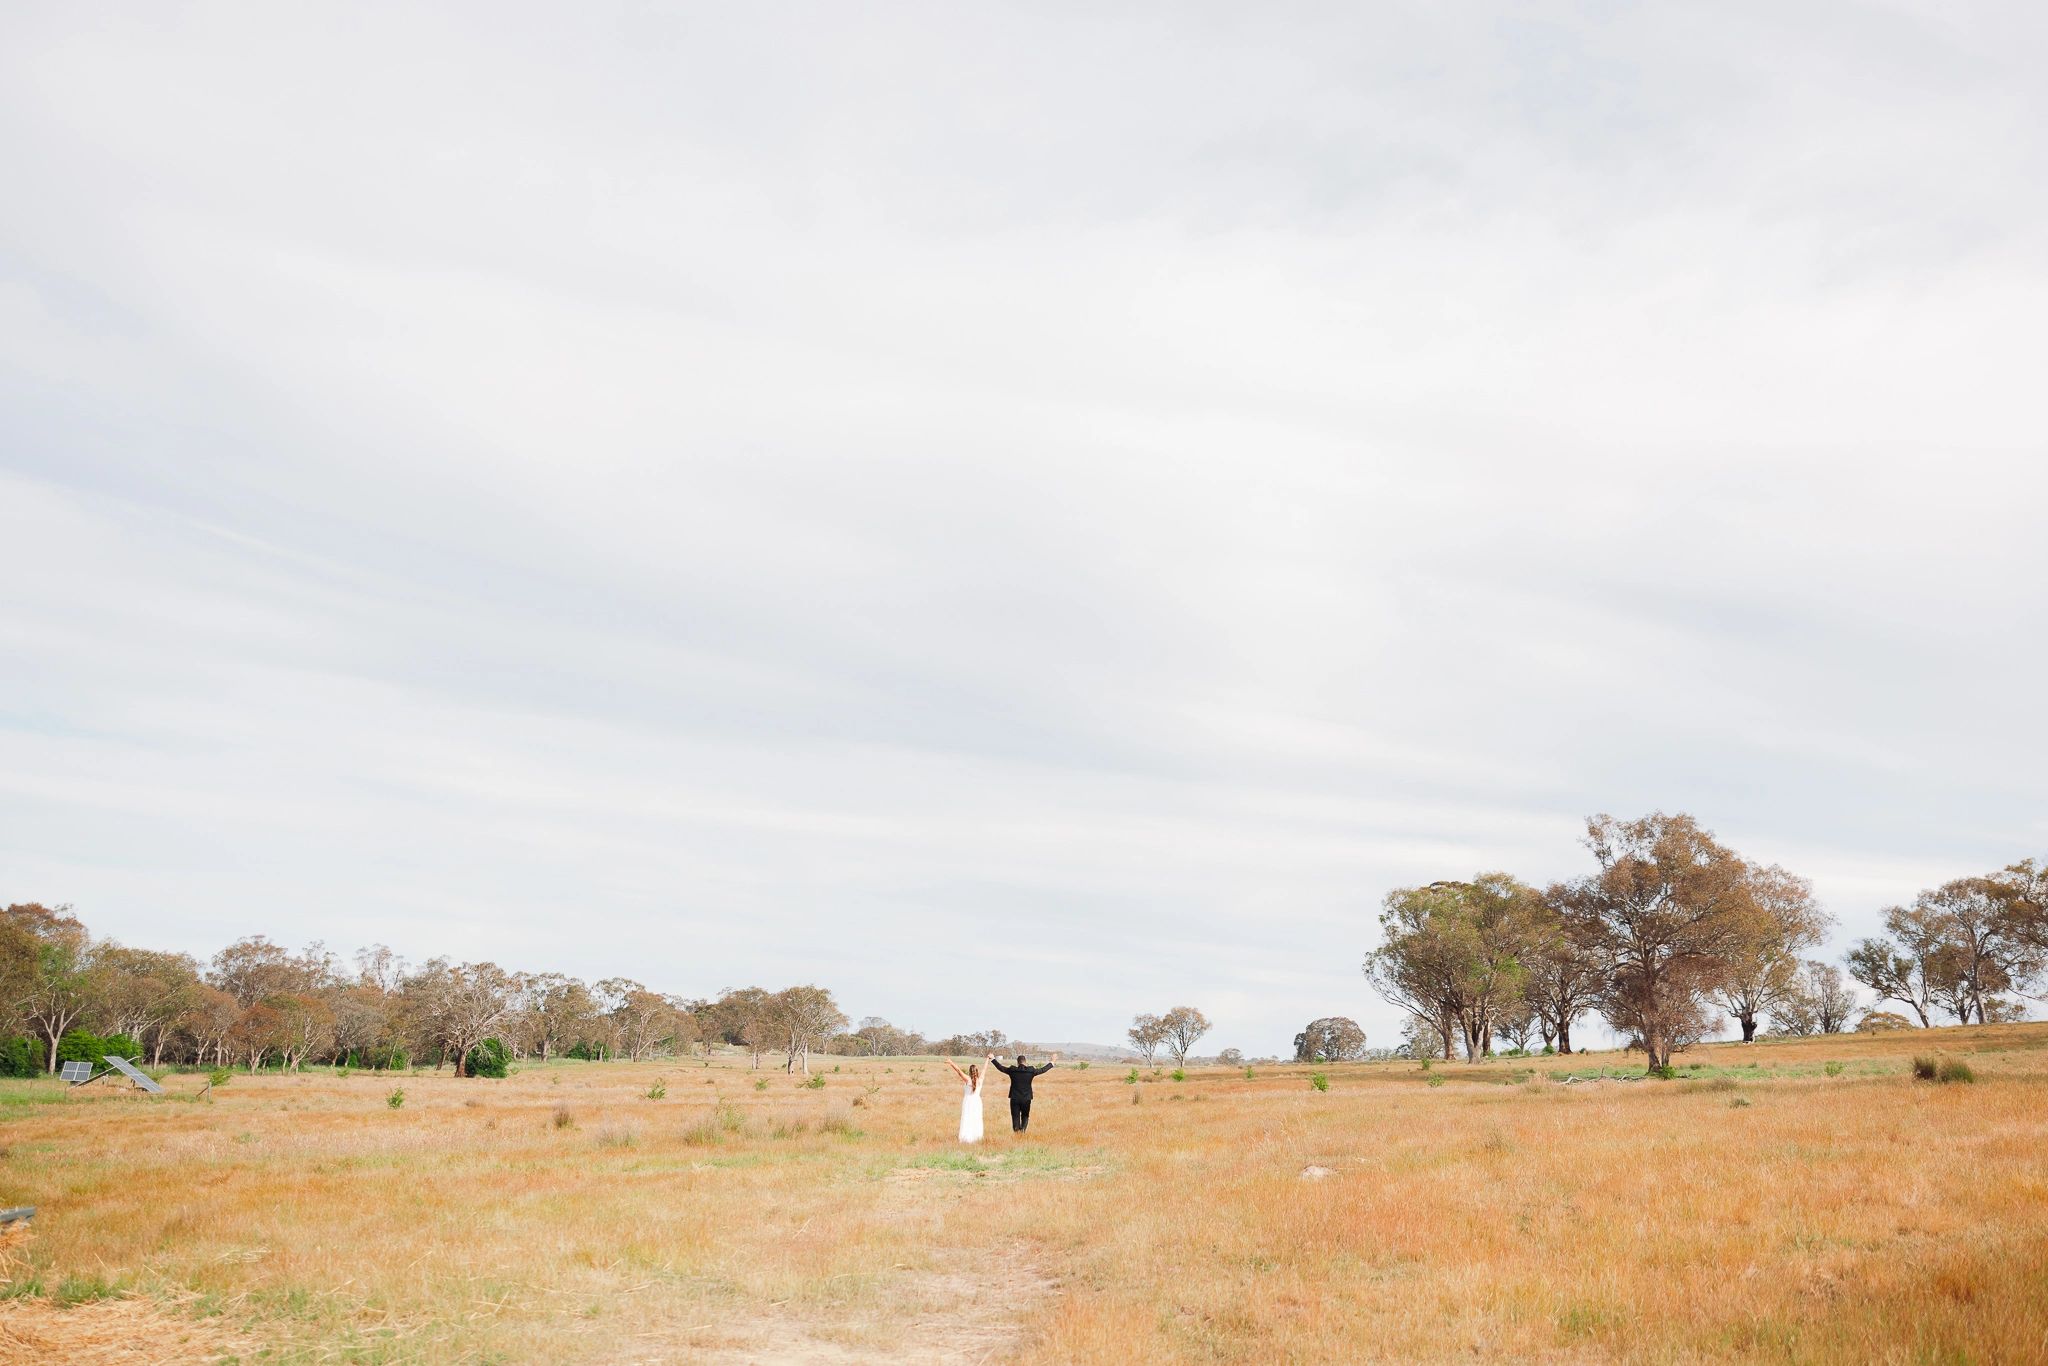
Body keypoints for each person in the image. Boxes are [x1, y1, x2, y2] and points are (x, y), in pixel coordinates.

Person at [987, 1050, 1058, 1133]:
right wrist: (1052, 1062)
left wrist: (993, 1059)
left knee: (1015, 1116)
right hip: (1026, 1098)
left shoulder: (1012, 1070)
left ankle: (1016, 1131)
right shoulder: (1031, 1070)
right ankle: (1023, 1131)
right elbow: (1043, 1070)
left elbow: (1000, 1067)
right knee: (1025, 1116)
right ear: (1025, 1062)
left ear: (1017, 1063)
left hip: (1014, 1098)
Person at [941, 1057, 985, 1143]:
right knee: (977, 1118)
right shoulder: (980, 1079)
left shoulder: (967, 1079)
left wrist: (951, 1062)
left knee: (967, 1118)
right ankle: (977, 1137)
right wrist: (988, 1059)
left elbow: (958, 1070)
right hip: (977, 1102)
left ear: (969, 1071)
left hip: (968, 1101)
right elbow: (984, 1069)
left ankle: (966, 1137)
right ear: (977, 1071)